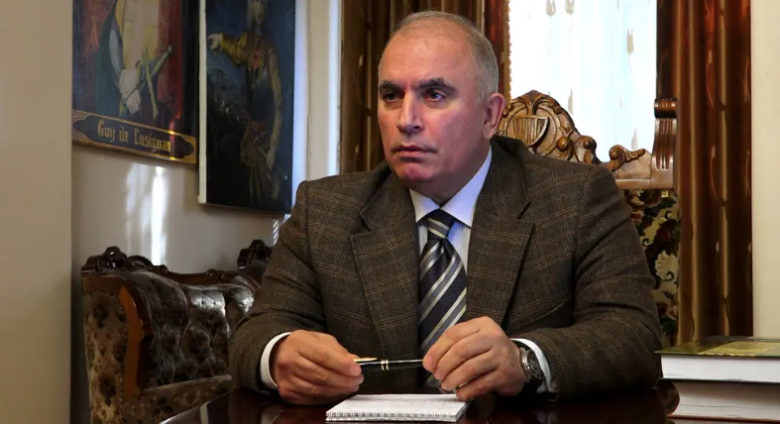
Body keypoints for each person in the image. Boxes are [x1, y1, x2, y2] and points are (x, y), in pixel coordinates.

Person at [228, 11, 662, 406]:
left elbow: (635, 337)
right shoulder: (324, 210)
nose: (406, 119)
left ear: (490, 116)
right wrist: (278, 355)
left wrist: (524, 360)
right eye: (391, 95)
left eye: (434, 94)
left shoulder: (576, 199)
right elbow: (255, 335)